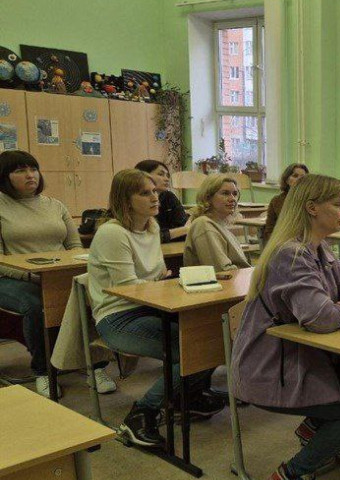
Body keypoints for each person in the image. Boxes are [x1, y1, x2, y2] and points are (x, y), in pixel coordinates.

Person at [231, 174, 340, 480]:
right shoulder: (290, 255)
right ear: (311, 208)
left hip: (303, 358)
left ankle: (316, 429)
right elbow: (322, 318)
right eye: (337, 204)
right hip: (270, 368)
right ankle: (291, 475)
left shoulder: (319, 249)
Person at [89, 169, 223, 447]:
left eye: (154, 191)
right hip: (118, 316)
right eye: (144, 193)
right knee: (191, 349)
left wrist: (159, 283)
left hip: (150, 307)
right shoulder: (112, 233)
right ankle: (141, 415)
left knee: (209, 336)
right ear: (125, 200)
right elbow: (128, 288)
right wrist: (157, 284)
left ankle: (188, 397)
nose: (155, 197)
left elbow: (155, 277)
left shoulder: (151, 227)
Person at [0, 150, 115, 398]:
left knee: (90, 295)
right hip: (13, 278)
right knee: (36, 305)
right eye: (20, 170)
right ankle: (43, 371)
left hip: (56, 274)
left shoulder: (55, 205)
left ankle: (96, 366)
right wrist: (31, 274)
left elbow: (74, 246)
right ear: (4, 176)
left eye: (33, 169)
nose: (30, 175)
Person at [183, 175, 250, 272]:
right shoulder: (203, 225)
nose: (232, 199)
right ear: (208, 197)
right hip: (226, 280)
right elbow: (222, 271)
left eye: (235, 194)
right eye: (225, 193)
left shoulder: (220, 224)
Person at [134, 160, 190, 243]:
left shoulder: (169, 196)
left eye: (167, 175)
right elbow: (142, 236)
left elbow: (184, 229)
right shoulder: (136, 200)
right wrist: (182, 230)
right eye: (161, 174)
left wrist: (180, 231)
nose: (167, 179)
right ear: (143, 175)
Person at [263, 163, 308, 241]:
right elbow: (270, 229)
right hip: (282, 242)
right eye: (295, 176)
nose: (299, 179)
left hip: (306, 241)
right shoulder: (276, 201)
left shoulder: (311, 200)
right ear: (287, 180)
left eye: (303, 177)